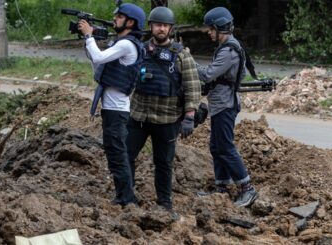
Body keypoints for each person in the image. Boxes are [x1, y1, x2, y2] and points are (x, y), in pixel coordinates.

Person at [126, 6, 201, 217]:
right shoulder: (139, 50)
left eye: (165, 26)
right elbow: (127, 78)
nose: (161, 29)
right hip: (139, 116)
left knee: (163, 164)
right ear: (151, 26)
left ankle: (165, 205)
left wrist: (189, 116)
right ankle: (126, 196)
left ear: (170, 29)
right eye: (158, 25)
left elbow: (193, 86)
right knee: (126, 155)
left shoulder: (181, 55)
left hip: (167, 119)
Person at [78, 3, 146, 206]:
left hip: (117, 111)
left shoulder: (126, 45)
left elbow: (98, 56)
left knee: (117, 153)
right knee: (114, 152)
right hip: (111, 109)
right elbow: (99, 65)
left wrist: (90, 36)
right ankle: (123, 196)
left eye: (119, 17)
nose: (114, 19)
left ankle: (127, 198)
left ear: (130, 22)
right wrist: (88, 40)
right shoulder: (122, 43)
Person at [195, 7, 258, 207]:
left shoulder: (229, 51)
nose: (209, 32)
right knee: (216, 146)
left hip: (225, 105)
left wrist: (187, 61)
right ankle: (221, 188)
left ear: (221, 28)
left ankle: (247, 188)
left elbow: (207, 75)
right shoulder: (226, 47)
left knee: (225, 146)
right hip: (220, 103)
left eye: (211, 28)